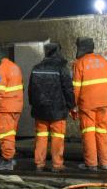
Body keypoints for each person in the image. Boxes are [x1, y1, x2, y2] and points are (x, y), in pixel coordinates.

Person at [72, 37, 107, 170]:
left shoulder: (79, 63)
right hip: (104, 103)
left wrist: (73, 106)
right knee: (102, 132)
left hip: (87, 104)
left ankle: (91, 164)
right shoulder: (104, 62)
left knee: (89, 133)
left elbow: (75, 88)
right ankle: (104, 163)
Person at [28, 42, 75, 172]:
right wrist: (72, 106)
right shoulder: (62, 68)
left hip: (40, 110)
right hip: (57, 110)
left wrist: (33, 104)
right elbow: (68, 89)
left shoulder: (36, 68)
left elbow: (31, 90)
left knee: (41, 137)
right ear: (58, 52)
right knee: (57, 137)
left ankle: (39, 164)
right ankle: (57, 165)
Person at [0, 44, 23, 171]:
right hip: (16, 106)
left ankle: (7, 161)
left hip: (5, 108)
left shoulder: (0, 70)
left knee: (5, 134)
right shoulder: (15, 67)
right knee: (11, 134)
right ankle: (11, 158)